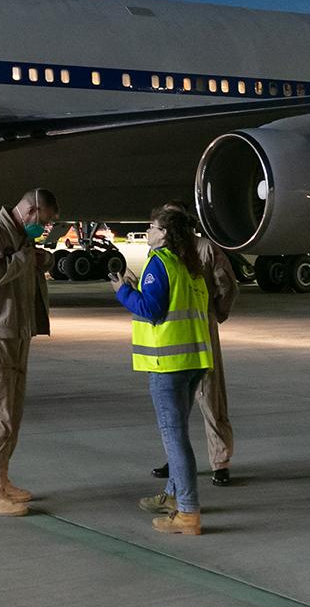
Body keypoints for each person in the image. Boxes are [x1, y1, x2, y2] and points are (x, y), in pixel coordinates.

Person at [111, 205, 213, 535]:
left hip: (168, 363)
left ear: (165, 234)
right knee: (179, 432)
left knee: (175, 439)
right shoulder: (190, 266)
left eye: (152, 226)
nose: (148, 231)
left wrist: (123, 292)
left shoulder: (160, 262)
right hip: (194, 360)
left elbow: (152, 310)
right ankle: (173, 495)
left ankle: (188, 512)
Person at [0, 188, 58, 516]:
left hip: (18, 331)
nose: (43, 228)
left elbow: (28, 266)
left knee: (9, 412)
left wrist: (42, 259)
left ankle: (0, 479)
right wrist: (25, 259)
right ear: (31, 211)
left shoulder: (20, 236)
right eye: (43, 221)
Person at [152, 221, 237, 488]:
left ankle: (214, 461)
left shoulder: (196, 250)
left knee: (200, 397)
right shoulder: (180, 250)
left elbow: (226, 284)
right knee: (190, 399)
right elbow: (226, 284)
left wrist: (215, 313)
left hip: (188, 329)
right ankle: (189, 459)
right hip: (188, 329)